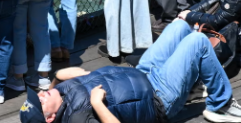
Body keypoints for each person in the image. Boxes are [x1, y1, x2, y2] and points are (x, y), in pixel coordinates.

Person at [18, 20, 241, 123]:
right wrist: (97, 104)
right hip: (159, 97)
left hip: (144, 72)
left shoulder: (59, 95)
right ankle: (223, 105)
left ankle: (190, 85)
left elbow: (75, 76)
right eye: (40, 103)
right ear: (50, 118)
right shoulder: (77, 119)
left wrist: (57, 77)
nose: (40, 95)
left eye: (36, 95)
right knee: (198, 41)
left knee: (179, 26)